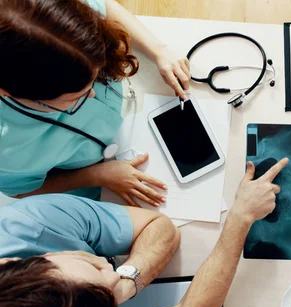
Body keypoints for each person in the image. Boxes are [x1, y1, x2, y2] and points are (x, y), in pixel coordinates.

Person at [0, 157, 288, 307]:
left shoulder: (22, 224)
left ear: (12, 261)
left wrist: (124, 284)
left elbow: (160, 229)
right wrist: (238, 219)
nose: (106, 264)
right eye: (93, 262)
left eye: (88, 260)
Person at [0, 0, 191, 206]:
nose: (91, 95)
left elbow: (105, 7)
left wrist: (159, 51)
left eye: (95, 77)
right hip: (93, 181)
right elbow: (21, 191)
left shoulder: (44, 14)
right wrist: (97, 175)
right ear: (9, 92)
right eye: (74, 98)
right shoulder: (6, 150)